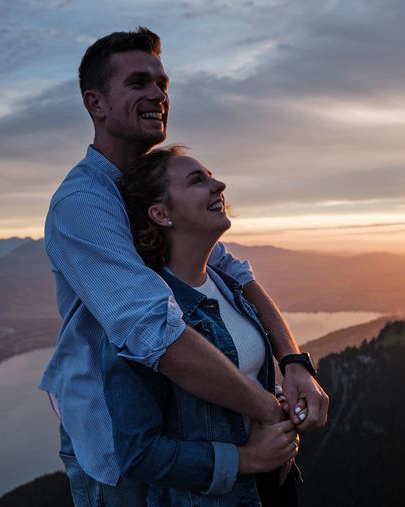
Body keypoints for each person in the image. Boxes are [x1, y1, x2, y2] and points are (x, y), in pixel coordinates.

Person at [39, 27, 328, 506]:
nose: (158, 94)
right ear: (96, 103)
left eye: (162, 84)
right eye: (138, 82)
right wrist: (270, 411)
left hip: (188, 428)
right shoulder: (84, 202)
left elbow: (236, 276)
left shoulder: (151, 187)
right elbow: (154, 332)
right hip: (119, 441)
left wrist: (294, 363)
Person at [102, 145, 300, 505]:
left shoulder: (228, 287)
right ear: (161, 214)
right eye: (198, 181)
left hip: (272, 489)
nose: (219, 186)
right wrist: (245, 459)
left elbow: (241, 380)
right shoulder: (144, 318)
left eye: (212, 177)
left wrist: (281, 402)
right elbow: (139, 454)